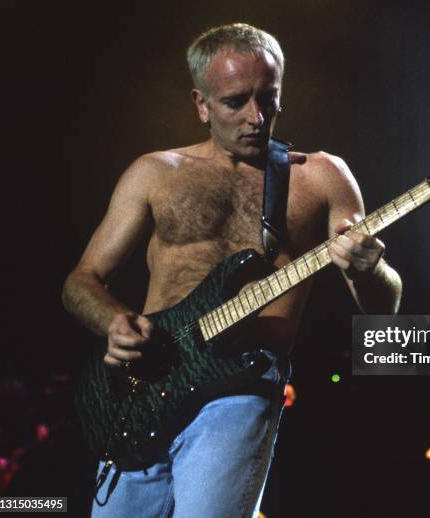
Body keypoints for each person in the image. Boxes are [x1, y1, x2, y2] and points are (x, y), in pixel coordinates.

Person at [62, 23, 402, 517]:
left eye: (269, 98)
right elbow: (81, 282)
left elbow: (382, 306)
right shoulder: (155, 172)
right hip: (145, 387)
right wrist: (112, 321)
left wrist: (371, 269)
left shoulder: (322, 176)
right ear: (200, 104)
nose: (256, 117)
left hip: (242, 383)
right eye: (235, 101)